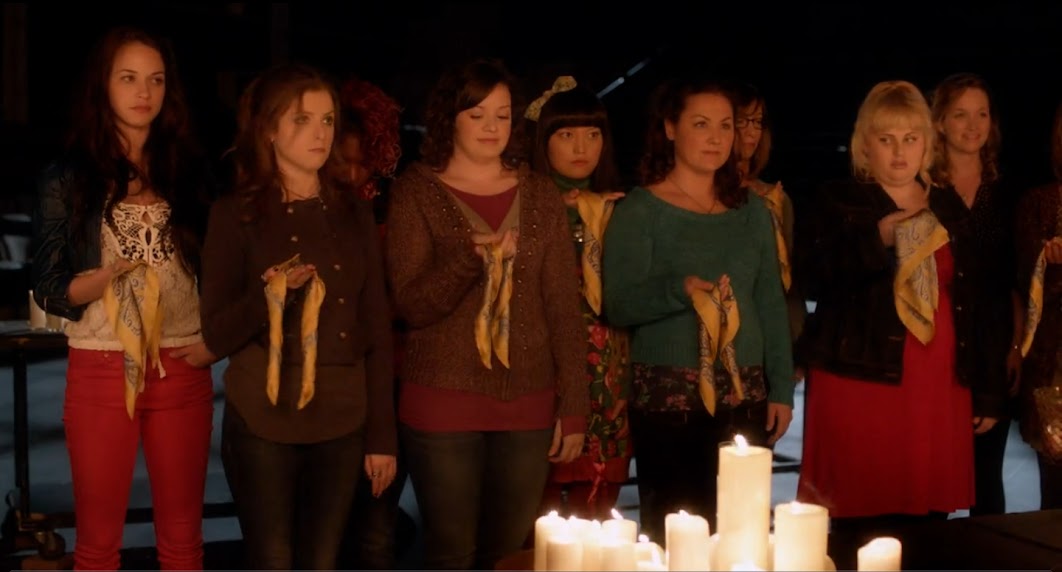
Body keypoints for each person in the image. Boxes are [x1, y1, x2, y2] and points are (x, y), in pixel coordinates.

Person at [384, 58, 588, 569]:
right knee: (451, 553)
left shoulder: (539, 193)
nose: (492, 127)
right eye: (477, 115)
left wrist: (574, 405)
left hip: (529, 402)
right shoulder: (416, 191)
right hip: (443, 400)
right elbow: (412, 305)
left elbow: (563, 306)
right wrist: (467, 260)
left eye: (503, 115)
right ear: (449, 120)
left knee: (510, 555)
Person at [794, 81, 1005, 565]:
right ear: (864, 144)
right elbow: (810, 276)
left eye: (910, 138)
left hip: (937, 386)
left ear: (927, 143)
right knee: (857, 526)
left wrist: (989, 389)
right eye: (886, 138)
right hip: (859, 383)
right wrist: (876, 239)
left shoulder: (948, 205)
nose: (898, 152)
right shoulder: (838, 199)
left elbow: (980, 303)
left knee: (926, 529)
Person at [198, 63, 397, 570]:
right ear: (268, 129)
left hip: (343, 417)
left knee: (322, 561)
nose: (320, 133)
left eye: (327, 120)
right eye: (302, 120)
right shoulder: (235, 214)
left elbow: (376, 328)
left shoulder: (353, 213)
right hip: (264, 416)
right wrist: (273, 295)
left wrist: (382, 438)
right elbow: (216, 333)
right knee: (273, 560)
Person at [30, 26, 215, 570]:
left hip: (182, 363)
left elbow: (220, 265)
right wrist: (105, 278)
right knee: (97, 544)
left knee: (183, 541)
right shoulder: (68, 176)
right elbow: (50, 286)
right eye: (129, 78)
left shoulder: (188, 169)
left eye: (156, 80)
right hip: (102, 365)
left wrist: (217, 339)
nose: (144, 92)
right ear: (103, 85)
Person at [602, 76, 795, 540]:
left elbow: (771, 302)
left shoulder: (752, 211)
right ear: (670, 128)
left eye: (726, 125)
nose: (716, 138)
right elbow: (619, 305)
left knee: (741, 534)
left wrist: (782, 389)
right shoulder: (640, 210)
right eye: (701, 124)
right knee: (676, 536)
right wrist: (679, 290)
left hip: (743, 396)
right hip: (668, 402)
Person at [526, 78, 631, 521]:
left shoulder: (623, 209)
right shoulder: (524, 206)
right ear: (543, 141)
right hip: (544, 368)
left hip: (609, 374)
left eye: (592, 134)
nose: (581, 147)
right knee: (537, 514)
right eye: (566, 134)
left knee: (599, 512)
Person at [929, 72, 1022, 515]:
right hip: (936, 342)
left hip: (992, 343)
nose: (973, 126)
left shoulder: (1007, 190)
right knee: (934, 478)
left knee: (987, 478)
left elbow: (1014, 279)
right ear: (940, 122)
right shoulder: (923, 186)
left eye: (981, 114)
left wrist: (1015, 347)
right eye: (961, 115)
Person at [333, 76, 413, 570]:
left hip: (393, 378)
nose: (351, 172)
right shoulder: (312, 209)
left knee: (376, 526)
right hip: (336, 380)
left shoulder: (394, 206)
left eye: (361, 161)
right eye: (341, 160)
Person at [733, 83, 806, 365]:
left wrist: (794, 346)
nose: (752, 132)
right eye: (742, 121)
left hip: (765, 337)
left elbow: (786, 281)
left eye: (758, 122)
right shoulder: (700, 195)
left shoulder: (775, 199)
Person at [1013, 99, 1062, 510]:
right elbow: (1021, 273)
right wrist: (1045, 257)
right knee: (1056, 490)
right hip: (1054, 368)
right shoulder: (1039, 202)